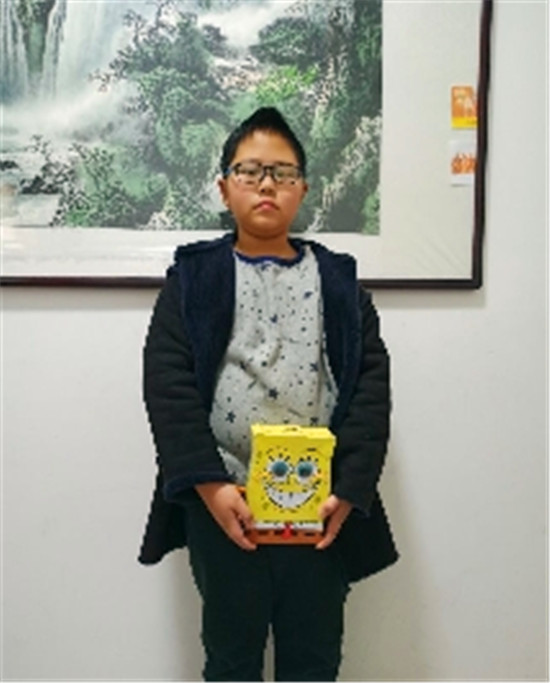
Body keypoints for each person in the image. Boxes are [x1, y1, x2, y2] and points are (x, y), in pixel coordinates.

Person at [139, 107, 398, 682]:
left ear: (303, 189)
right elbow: (167, 384)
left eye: (282, 173)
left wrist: (350, 490)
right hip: (225, 504)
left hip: (318, 508)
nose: (266, 185)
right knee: (231, 659)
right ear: (224, 187)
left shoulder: (340, 283)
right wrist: (209, 486)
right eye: (250, 171)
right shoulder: (192, 279)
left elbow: (370, 390)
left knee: (314, 659)